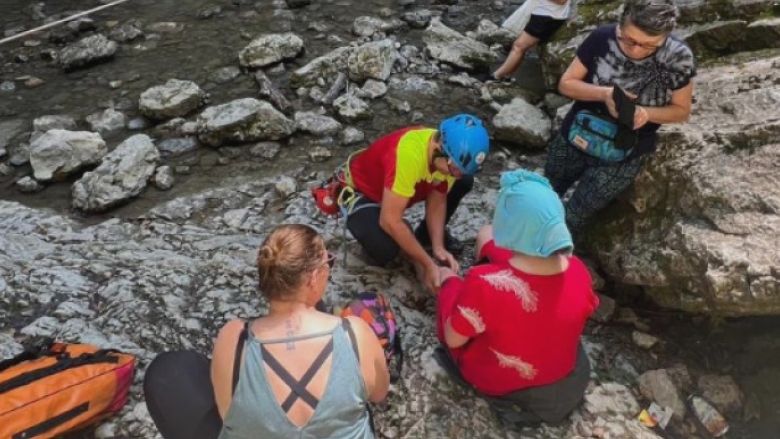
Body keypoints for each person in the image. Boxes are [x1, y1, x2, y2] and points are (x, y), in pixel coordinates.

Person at [143, 224, 389, 439]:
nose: (329, 270)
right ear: (314, 277)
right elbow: (379, 394)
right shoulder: (355, 334)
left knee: (168, 369)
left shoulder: (234, 337)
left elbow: (227, 412)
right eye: (329, 263)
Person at [434, 170, 598, 429]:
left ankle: (448, 281)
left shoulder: (484, 283)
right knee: (485, 237)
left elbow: (454, 338)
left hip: (501, 380)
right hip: (562, 371)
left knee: (450, 297)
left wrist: (449, 283)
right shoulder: (578, 271)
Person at [545, 0, 695, 235]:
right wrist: (604, 94)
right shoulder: (602, 38)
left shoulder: (679, 57)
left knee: (577, 213)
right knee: (545, 193)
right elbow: (566, 84)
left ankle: (549, 258)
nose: (636, 51)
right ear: (620, 26)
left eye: (649, 46)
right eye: (629, 40)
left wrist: (646, 114)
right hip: (576, 135)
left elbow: (681, 111)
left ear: (665, 37)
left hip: (624, 153)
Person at [342, 114, 490, 293]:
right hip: (367, 193)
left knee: (464, 182)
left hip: (403, 187)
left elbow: (438, 199)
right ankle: (396, 242)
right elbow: (389, 220)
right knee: (385, 248)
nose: (455, 174)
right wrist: (426, 263)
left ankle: (421, 238)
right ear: (439, 148)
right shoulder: (409, 155)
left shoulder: (450, 158)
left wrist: (438, 247)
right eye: (455, 169)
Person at [493, 0, 572, 81]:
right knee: (519, 46)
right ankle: (506, 76)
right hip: (543, 13)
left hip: (548, 16)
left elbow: (562, 1)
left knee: (518, 46)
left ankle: (496, 76)